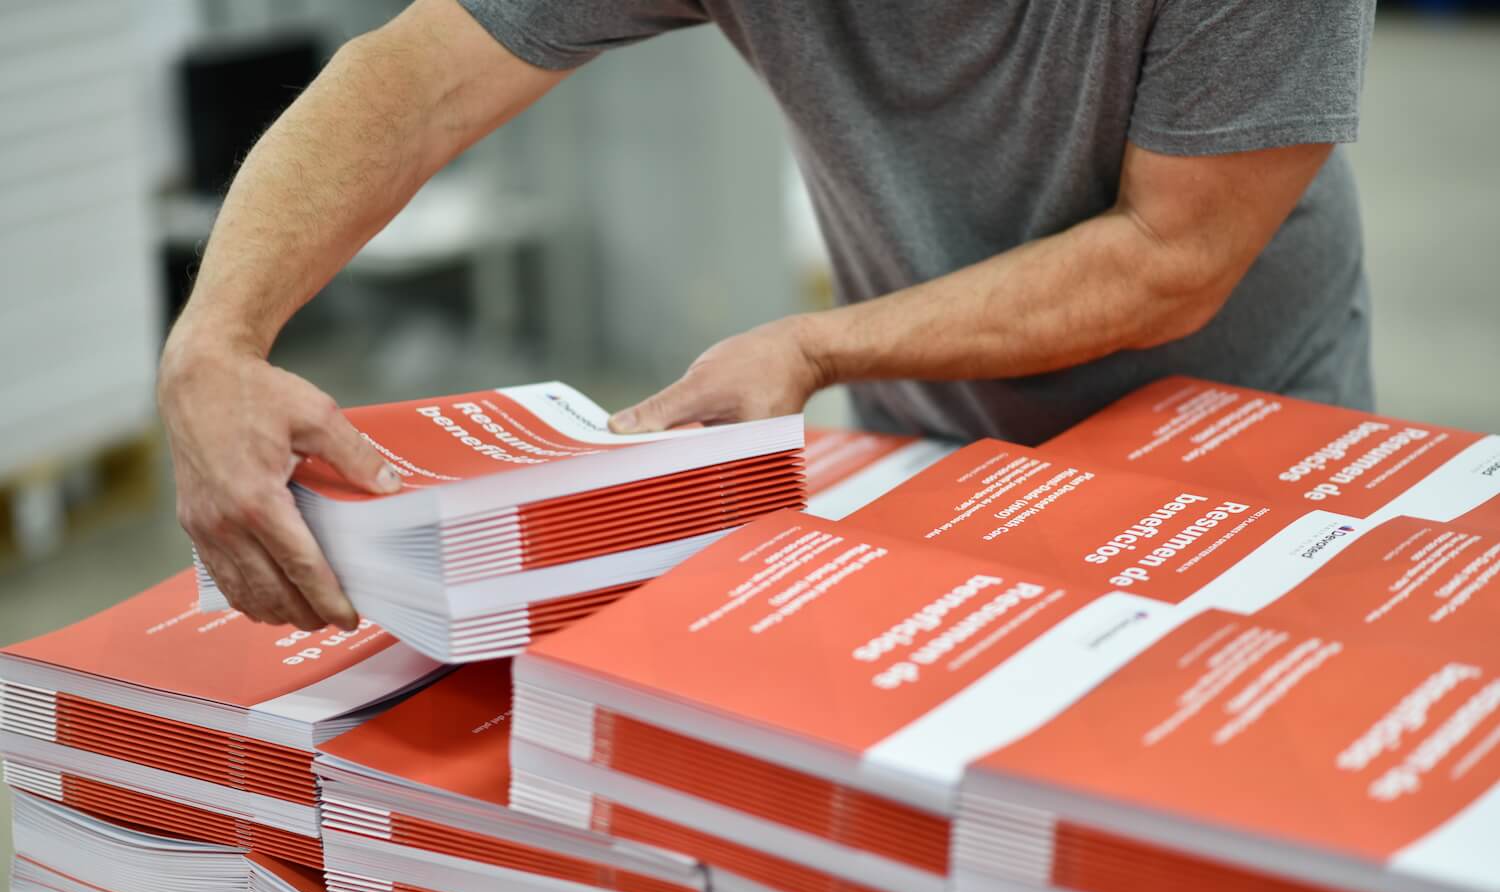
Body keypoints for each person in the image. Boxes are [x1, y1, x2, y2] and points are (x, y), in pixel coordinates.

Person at [158, 0, 1377, 631]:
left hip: (1242, 468)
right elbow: (417, 75)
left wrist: (812, 344)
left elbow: (1177, 253)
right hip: (941, 459)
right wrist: (215, 339)